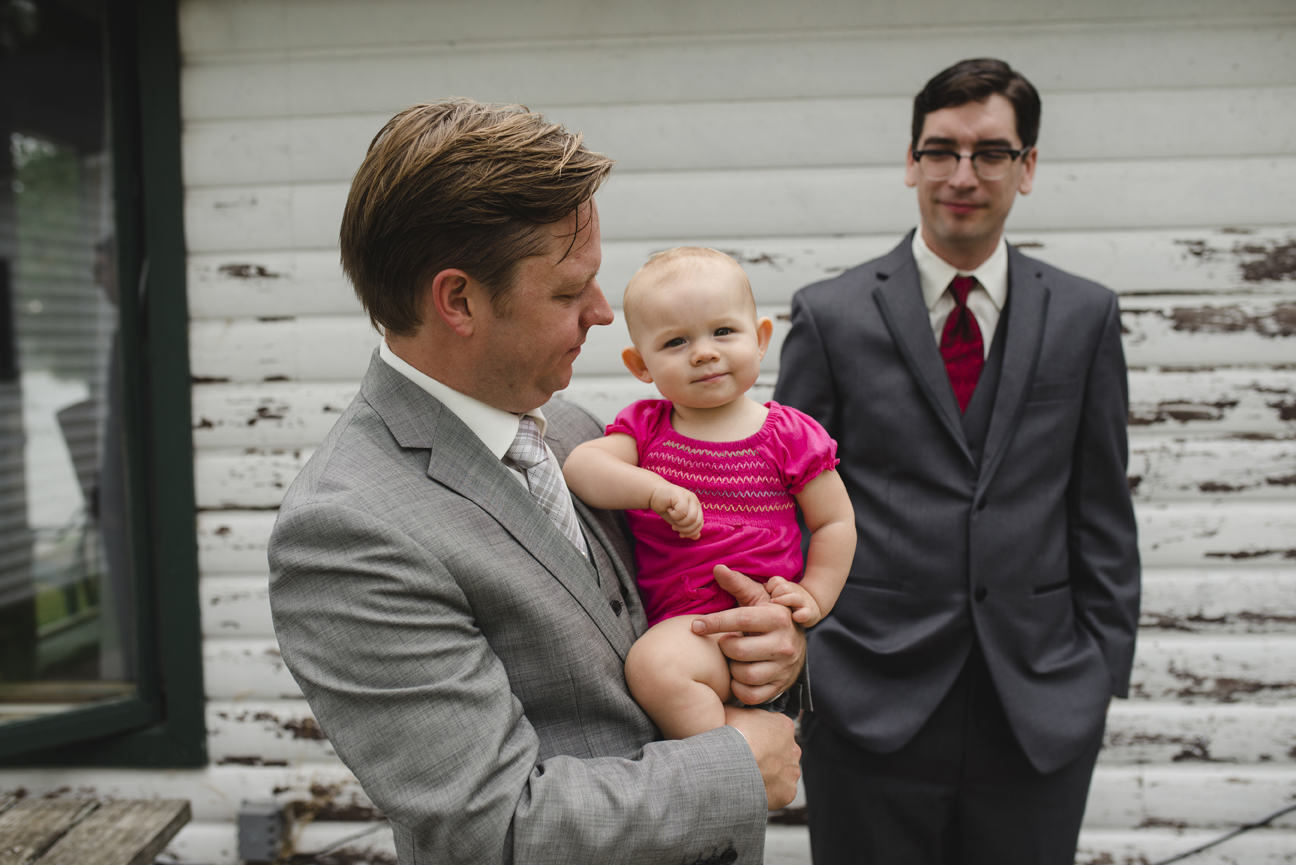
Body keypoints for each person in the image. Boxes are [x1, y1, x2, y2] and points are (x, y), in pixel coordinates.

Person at [268, 99, 805, 865]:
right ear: (458, 300)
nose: (601, 311)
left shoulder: (588, 435)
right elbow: (490, 828)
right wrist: (734, 769)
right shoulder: (347, 529)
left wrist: (773, 654)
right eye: (566, 291)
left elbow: (684, 610)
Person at [773, 58, 1141, 864]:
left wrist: (1099, 675)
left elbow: (1102, 505)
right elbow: (786, 510)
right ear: (911, 161)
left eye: (991, 152)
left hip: (1039, 703)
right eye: (940, 150)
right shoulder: (830, 316)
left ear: (1028, 166)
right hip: (868, 697)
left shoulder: (1085, 314)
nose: (962, 174)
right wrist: (811, 671)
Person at [562, 247, 855, 740]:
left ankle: (726, 767)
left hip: (757, 619)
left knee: (656, 668)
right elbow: (581, 466)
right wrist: (654, 491)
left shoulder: (788, 434)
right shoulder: (648, 429)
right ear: (641, 365)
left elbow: (834, 523)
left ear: (760, 339)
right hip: (687, 622)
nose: (704, 351)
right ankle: (728, 761)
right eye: (676, 341)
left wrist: (814, 597)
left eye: (723, 331)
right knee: (658, 667)